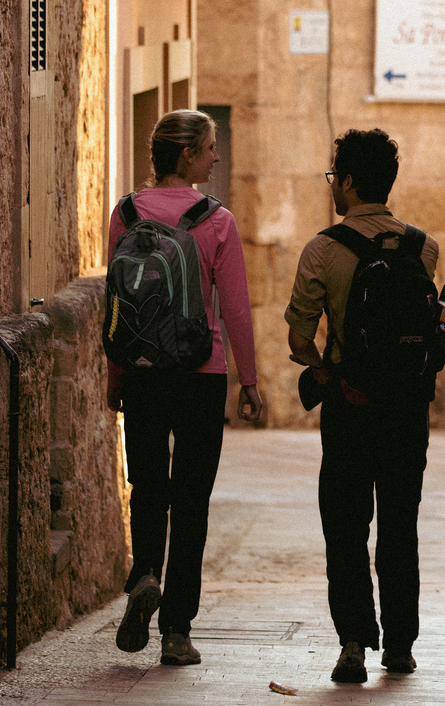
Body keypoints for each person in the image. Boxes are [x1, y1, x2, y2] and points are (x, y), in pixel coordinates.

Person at [106, 109, 263, 666]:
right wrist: (250, 380)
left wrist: (115, 376)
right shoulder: (215, 220)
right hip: (202, 373)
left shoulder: (125, 212)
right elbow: (237, 309)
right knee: (191, 501)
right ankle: (176, 630)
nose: (216, 157)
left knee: (147, 486)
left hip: (144, 372)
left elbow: (117, 308)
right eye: (211, 148)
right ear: (190, 156)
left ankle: (145, 570)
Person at [285, 128, 439, 684]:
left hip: (349, 406)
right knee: (401, 521)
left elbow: (299, 340)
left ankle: (353, 640)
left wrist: (325, 369)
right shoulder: (424, 248)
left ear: (348, 182)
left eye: (334, 178)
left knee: (346, 524)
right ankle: (400, 644)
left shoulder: (323, 250)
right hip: (406, 410)